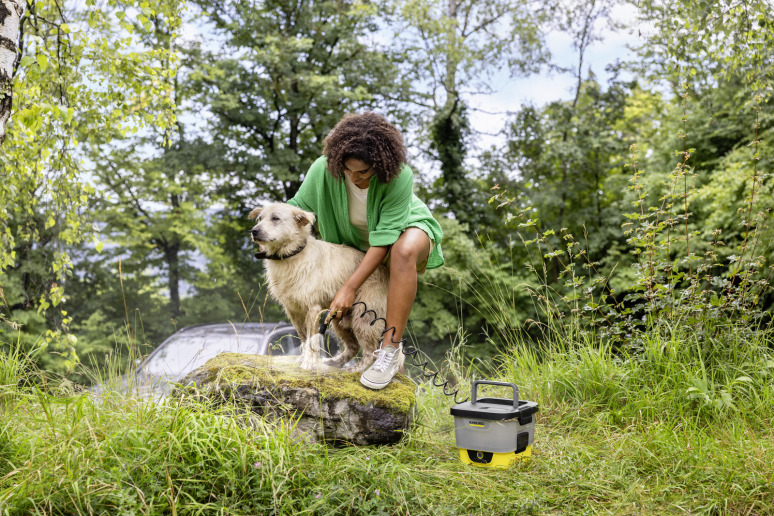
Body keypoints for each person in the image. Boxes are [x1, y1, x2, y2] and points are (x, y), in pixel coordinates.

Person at [287, 112, 444, 390]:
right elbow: (297, 210)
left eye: (363, 172)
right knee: (365, 317)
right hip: (355, 250)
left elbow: (383, 241)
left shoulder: (399, 176)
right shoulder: (323, 170)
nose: (353, 178)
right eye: (347, 170)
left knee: (402, 251)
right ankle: (388, 379)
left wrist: (348, 288)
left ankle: (390, 350)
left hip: (402, 233)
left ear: (381, 165)